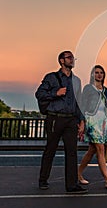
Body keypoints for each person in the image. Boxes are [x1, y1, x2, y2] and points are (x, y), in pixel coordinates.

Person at [35, 50, 88, 194]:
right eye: (69, 57)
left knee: (72, 152)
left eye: (73, 57)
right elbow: (39, 94)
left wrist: (82, 121)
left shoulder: (76, 81)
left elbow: (79, 103)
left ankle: (72, 185)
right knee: (50, 150)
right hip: (55, 118)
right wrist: (55, 93)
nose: (72, 60)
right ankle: (43, 180)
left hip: (71, 120)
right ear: (61, 60)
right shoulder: (51, 78)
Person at [78, 65, 107, 189]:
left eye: (101, 73)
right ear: (92, 75)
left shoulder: (105, 90)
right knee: (100, 149)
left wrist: (106, 121)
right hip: (92, 120)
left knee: (92, 150)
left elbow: (105, 107)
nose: (99, 75)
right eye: (96, 72)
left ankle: (77, 173)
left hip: (102, 121)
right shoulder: (88, 88)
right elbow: (82, 105)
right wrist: (82, 122)